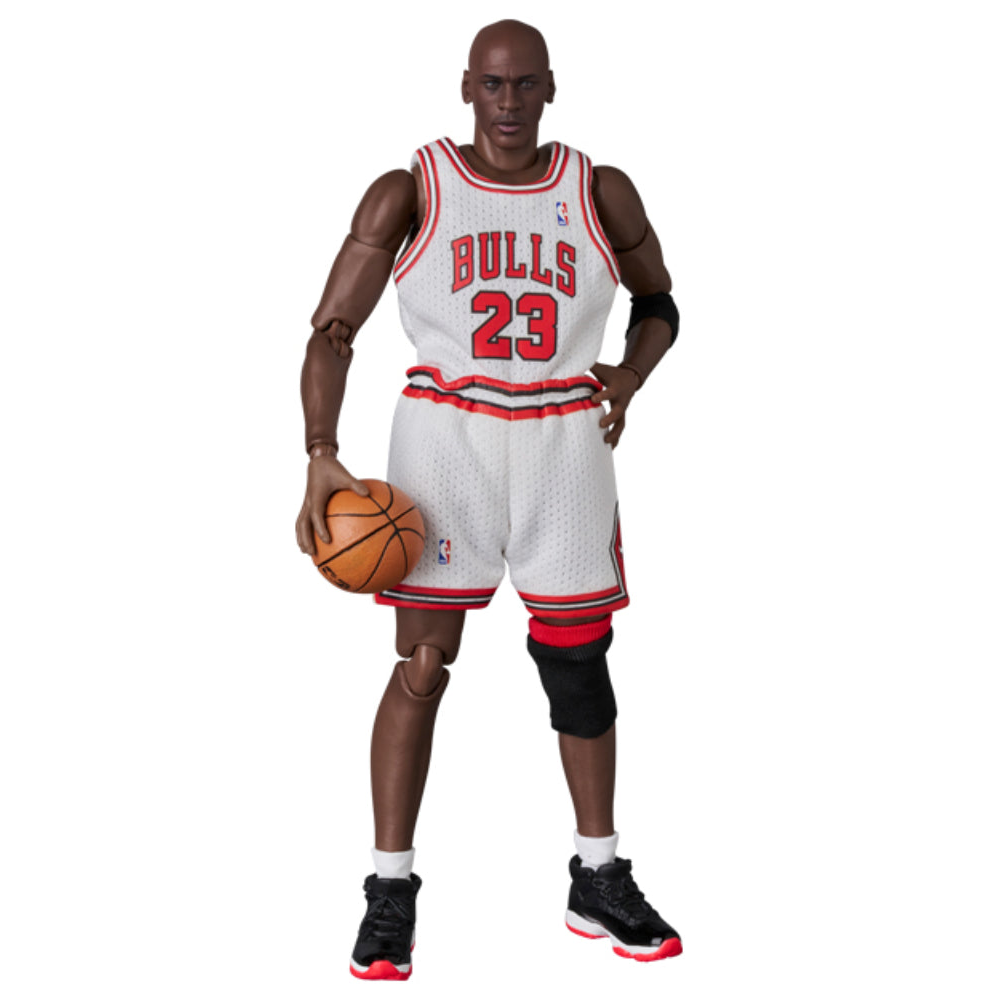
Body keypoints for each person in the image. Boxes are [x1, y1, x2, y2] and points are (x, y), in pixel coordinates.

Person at [297, 20, 682, 980]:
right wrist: (319, 454)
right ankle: (390, 889)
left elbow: (661, 304)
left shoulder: (598, 189)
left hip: (564, 441)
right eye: (493, 85)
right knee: (423, 663)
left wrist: (631, 375)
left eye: (525, 85)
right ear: (466, 87)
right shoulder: (412, 188)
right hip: (445, 446)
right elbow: (333, 330)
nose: (509, 103)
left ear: (551, 88)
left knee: (578, 664)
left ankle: (597, 875)